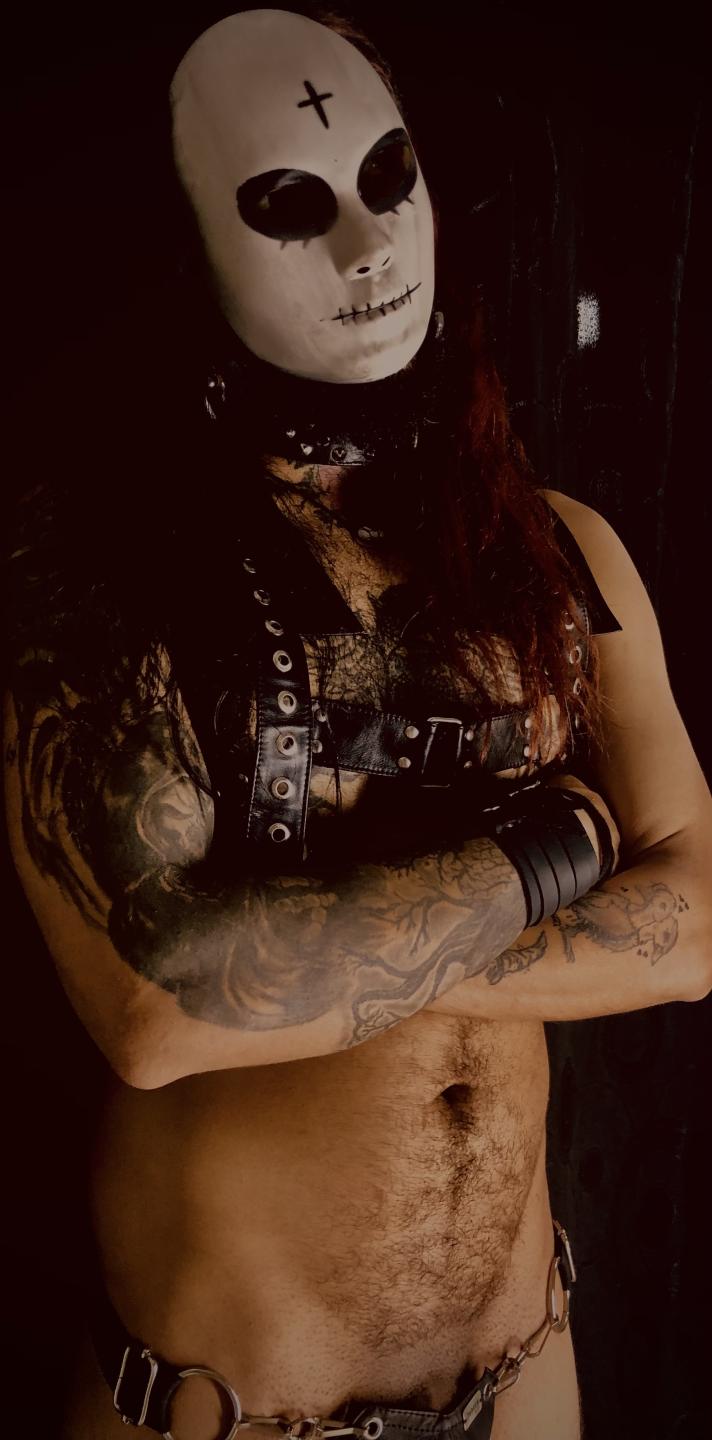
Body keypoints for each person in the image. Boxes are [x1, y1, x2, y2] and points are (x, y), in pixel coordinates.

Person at [5, 8, 712, 1439]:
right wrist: (559, 850)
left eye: (390, 178)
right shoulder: (93, 581)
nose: (367, 249)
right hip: (233, 1408)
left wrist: (337, 955)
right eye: (289, 203)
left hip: (524, 1371)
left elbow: (699, 922)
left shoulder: (557, 551)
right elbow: (161, 1009)